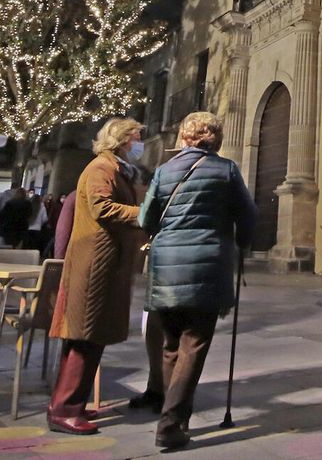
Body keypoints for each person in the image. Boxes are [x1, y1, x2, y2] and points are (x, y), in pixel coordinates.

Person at [139, 111, 256, 451]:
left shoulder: (164, 171)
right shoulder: (226, 170)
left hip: (166, 268)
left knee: (171, 345)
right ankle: (171, 423)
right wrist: (242, 241)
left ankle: (177, 416)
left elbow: (146, 218)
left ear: (185, 137)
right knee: (194, 344)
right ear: (215, 138)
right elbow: (248, 215)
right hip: (207, 267)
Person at [46, 119, 147, 436]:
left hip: (105, 263)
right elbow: (103, 208)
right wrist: (143, 213)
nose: (140, 142)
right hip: (94, 264)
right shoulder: (101, 168)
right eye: (137, 137)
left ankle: (69, 403)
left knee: (92, 336)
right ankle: (64, 409)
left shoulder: (116, 169)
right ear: (122, 139)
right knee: (84, 336)